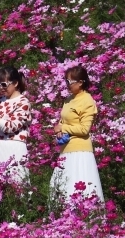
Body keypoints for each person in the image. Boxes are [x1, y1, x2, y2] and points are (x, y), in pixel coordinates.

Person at [50, 65, 104, 203]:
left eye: (70, 82)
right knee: (63, 190)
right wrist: (59, 131)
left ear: (81, 82)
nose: (67, 85)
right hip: (65, 150)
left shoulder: (87, 100)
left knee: (80, 190)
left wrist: (64, 127)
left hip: (80, 152)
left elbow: (85, 129)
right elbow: (64, 122)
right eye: (66, 81)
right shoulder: (68, 99)